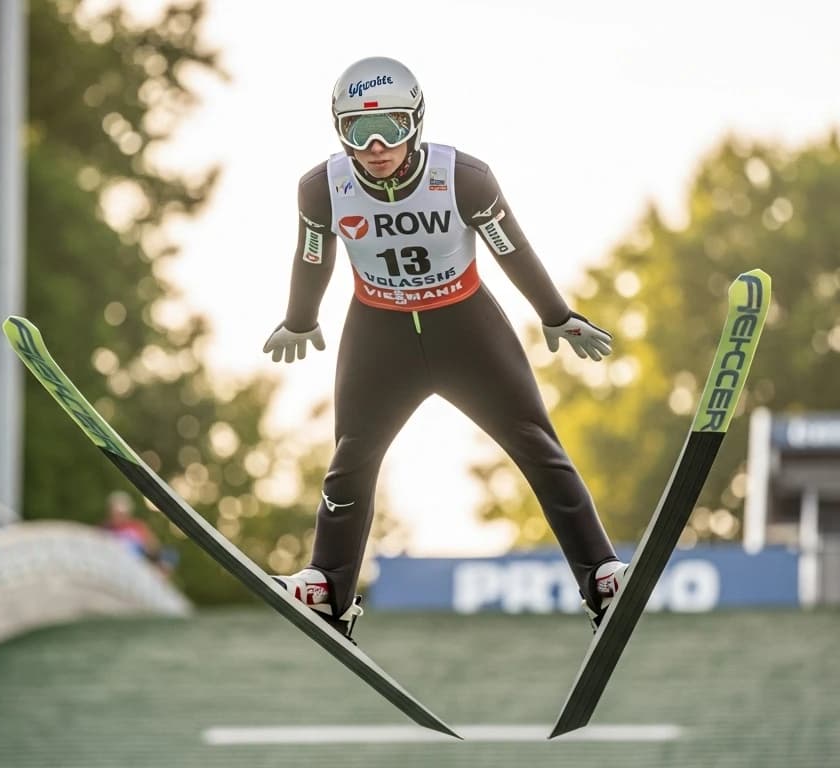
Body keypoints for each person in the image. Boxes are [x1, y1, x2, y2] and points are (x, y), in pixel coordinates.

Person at [262, 57, 624, 637]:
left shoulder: (464, 177)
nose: (376, 146)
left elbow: (511, 247)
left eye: (393, 128)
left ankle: (601, 575)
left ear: (417, 124)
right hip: (379, 331)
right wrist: (300, 319)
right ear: (340, 131)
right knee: (351, 459)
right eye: (357, 131)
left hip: (465, 326)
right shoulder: (320, 187)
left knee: (536, 444)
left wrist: (556, 316)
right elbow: (312, 256)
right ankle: (329, 587)